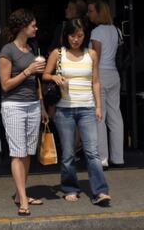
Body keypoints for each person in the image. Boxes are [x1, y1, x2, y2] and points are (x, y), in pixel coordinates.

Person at [42, 18, 111, 205]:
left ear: (85, 36)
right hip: (64, 110)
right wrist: (54, 77)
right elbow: (44, 75)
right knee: (68, 153)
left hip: (87, 107)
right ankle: (70, 187)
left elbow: (95, 81)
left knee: (92, 152)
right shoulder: (58, 53)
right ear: (66, 36)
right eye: (72, 35)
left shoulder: (92, 54)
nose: (76, 39)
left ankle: (100, 191)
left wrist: (98, 106)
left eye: (80, 35)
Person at [0, 8, 47, 217]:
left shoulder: (32, 48)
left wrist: (42, 106)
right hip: (14, 107)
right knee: (17, 153)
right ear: (23, 27)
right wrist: (28, 71)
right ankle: (23, 200)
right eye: (33, 25)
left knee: (28, 152)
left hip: (33, 106)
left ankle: (20, 194)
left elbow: (36, 83)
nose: (36, 28)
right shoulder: (7, 51)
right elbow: (5, 85)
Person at [87, 0, 125, 168]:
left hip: (100, 74)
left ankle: (102, 159)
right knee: (115, 115)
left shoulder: (97, 32)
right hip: (114, 74)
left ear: (98, 12)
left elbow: (96, 56)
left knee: (99, 116)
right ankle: (118, 158)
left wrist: (92, 77)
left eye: (91, 11)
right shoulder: (116, 30)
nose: (89, 14)